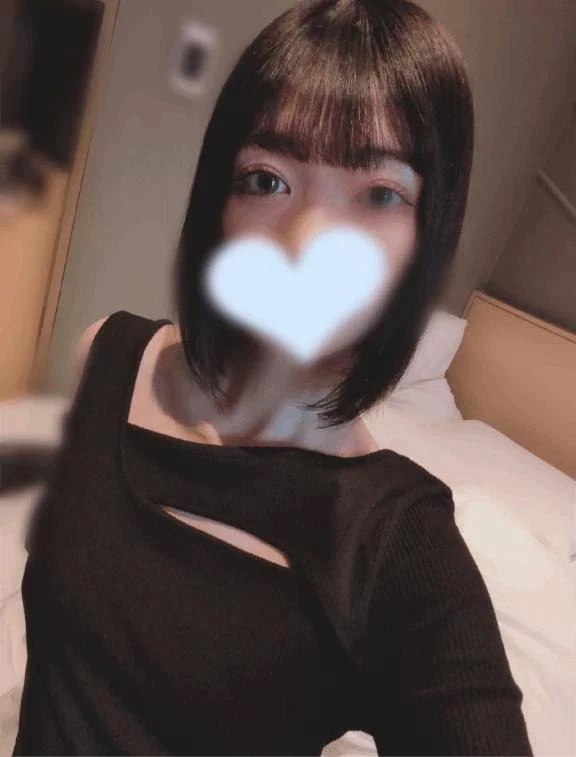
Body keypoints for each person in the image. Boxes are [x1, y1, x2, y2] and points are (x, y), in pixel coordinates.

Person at [13, 1, 533, 754]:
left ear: (429, 236)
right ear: (217, 202)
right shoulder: (106, 356)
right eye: (267, 180)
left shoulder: (396, 550)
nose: (305, 241)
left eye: (379, 194)